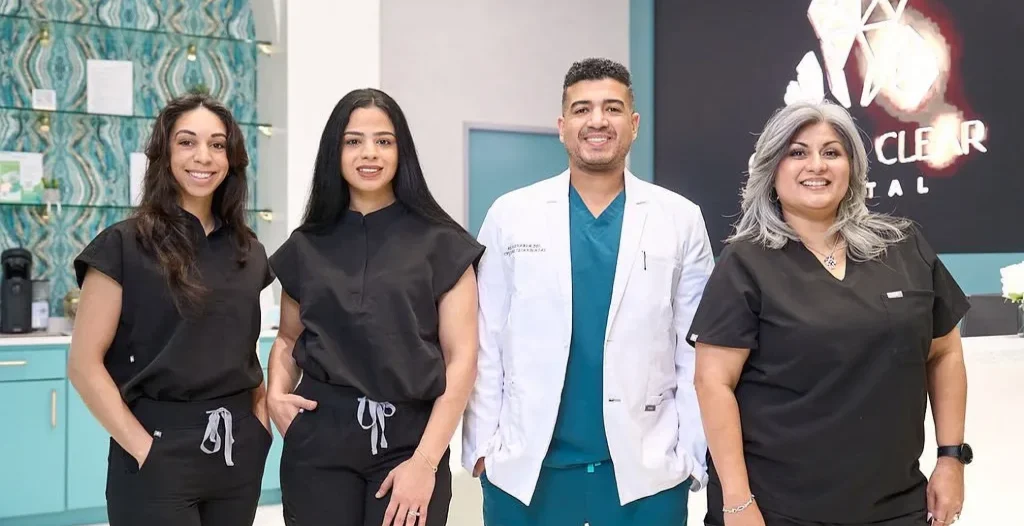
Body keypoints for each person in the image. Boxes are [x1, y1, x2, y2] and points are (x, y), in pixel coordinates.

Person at [690, 100, 971, 526]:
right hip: (777, 509)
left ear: (852, 168)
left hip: (896, 506)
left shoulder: (903, 245)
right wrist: (737, 500)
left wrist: (951, 459)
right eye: (798, 152)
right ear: (771, 168)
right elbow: (713, 383)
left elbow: (945, 353)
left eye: (832, 152)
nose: (816, 165)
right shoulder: (745, 263)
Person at [462, 57, 715, 526]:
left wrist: (689, 454)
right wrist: (483, 448)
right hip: (528, 471)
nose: (597, 120)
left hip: (646, 473)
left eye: (612, 108)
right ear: (562, 126)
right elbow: (486, 337)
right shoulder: (510, 214)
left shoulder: (680, 219)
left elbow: (695, 350)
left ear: (634, 124)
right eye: (582, 109)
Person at [267, 88, 483, 526]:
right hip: (319, 443)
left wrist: (425, 463)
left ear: (402, 151)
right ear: (335, 151)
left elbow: (462, 359)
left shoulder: (443, 243)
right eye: (353, 141)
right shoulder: (307, 245)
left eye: (384, 141)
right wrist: (275, 395)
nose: (370, 153)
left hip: (409, 444)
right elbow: (289, 338)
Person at [68, 93, 275, 525]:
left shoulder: (248, 251)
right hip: (155, 446)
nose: (204, 156)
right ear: (163, 154)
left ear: (232, 159)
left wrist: (259, 426)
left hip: (237, 450)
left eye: (218, 145)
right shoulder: (122, 245)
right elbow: (84, 364)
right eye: (187, 142)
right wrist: (143, 449)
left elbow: (241, 346)